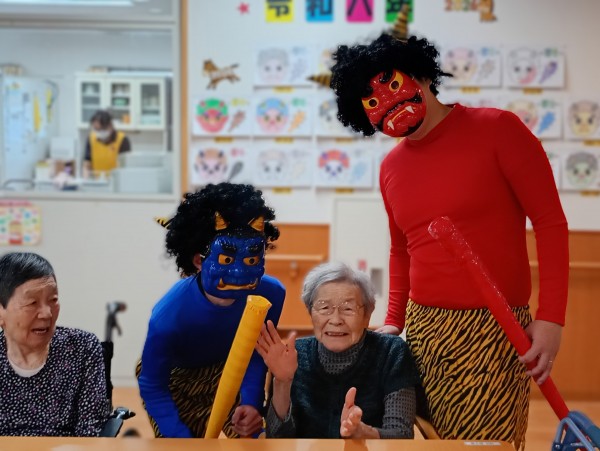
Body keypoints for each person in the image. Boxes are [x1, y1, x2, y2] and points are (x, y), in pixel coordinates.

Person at [330, 32, 569, 449]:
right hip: (424, 331)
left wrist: (551, 318)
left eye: (392, 84)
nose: (386, 103)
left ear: (421, 74)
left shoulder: (498, 129)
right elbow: (402, 249)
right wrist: (395, 320)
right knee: (428, 441)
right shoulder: (391, 167)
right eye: (370, 101)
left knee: (488, 445)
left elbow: (550, 223)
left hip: (495, 331)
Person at [137, 183, 286, 438]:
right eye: (226, 259)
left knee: (254, 440)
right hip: (177, 379)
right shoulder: (168, 316)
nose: (239, 271)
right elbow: (152, 385)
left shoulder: (270, 294)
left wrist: (251, 402)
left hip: (232, 368)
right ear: (198, 261)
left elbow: (255, 353)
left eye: (251, 259)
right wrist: (178, 438)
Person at [256, 262, 420, 439]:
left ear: (367, 315)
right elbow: (277, 438)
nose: (335, 320)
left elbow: (402, 435)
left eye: (348, 309)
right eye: (324, 308)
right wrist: (283, 382)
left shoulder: (391, 352)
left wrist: (364, 433)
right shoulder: (293, 355)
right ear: (311, 313)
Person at [0, 252, 110, 436]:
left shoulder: (81, 348)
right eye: (32, 302)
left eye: (53, 300)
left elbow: (90, 431)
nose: (47, 313)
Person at [83, 109, 131, 178]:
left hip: (116, 181)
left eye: (101, 129)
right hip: (97, 181)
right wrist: (86, 180)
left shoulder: (122, 140)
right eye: (96, 129)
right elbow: (87, 165)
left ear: (110, 126)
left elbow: (125, 167)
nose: (98, 132)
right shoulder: (91, 138)